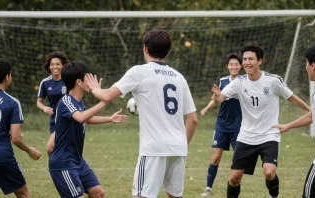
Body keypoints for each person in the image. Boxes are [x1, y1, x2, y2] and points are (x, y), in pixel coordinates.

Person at [85, 29, 198, 198]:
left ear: (145, 48)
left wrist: (95, 89)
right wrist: (184, 143)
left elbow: (108, 95)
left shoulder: (139, 72)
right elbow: (193, 119)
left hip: (154, 148)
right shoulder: (179, 77)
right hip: (178, 147)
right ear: (167, 52)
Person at [212, 42, 310, 198]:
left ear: (260, 61)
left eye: (251, 59)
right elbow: (221, 98)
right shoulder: (238, 82)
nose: (247, 62)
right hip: (246, 136)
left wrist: (310, 110)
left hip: (269, 134)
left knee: (269, 171)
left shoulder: (273, 81)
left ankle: (274, 196)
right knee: (235, 177)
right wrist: (217, 97)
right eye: (244, 59)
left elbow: (291, 98)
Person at [48, 61, 128, 198]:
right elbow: (81, 118)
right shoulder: (66, 101)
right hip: (64, 162)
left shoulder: (78, 101)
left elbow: (87, 118)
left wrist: (109, 119)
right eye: (88, 79)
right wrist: (104, 100)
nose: (91, 83)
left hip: (77, 160)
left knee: (98, 193)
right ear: (79, 82)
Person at [273, 42, 315, 198]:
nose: (306, 67)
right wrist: (288, 126)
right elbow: (313, 115)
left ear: (313, 65)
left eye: (306, 63)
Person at [0, 58, 41, 197]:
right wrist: (30, 150)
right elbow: (16, 138)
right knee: (23, 193)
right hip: (1, 155)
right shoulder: (12, 102)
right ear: (8, 77)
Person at [200, 53, 243, 196]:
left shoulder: (245, 81)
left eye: (236, 64)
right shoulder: (223, 81)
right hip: (222, 125)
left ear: (241, 66)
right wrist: (206, 108)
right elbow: (216, 98)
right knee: (215, 157)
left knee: (237, 160)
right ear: (227, 66)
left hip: (238, 127)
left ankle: (233, 186)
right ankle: (208, 188)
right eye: (231, 64)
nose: (234, 66)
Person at [37, 51, 69, 156]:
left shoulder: (69, 80)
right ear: (49, 66)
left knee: (62, 148)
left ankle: (69, 169)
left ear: (62, 65)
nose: (55, 67)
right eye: (52, 64)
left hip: (69, 119)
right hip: (54, 121)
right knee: (52, 149)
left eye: (57, 64)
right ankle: (56, 170)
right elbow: (39, 102)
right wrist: (45, 108)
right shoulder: (45, 83)